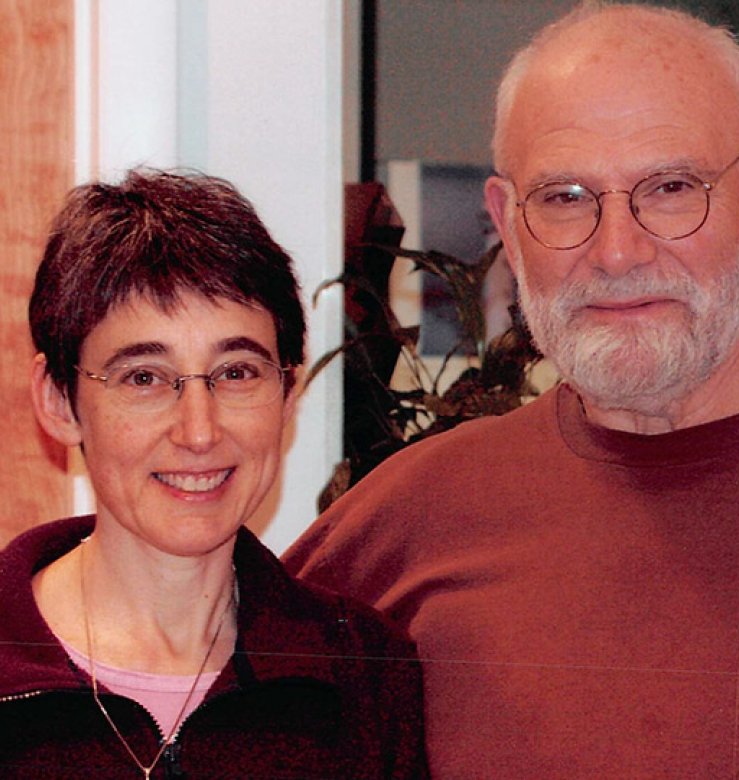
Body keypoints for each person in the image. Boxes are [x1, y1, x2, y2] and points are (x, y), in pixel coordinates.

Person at [284, 4, 739, 776]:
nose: (618, 251)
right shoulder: (411, 520)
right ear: (507, 222)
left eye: (670, 187)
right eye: (565, 198)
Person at [0, 169, 427, 777]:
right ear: (59, 401)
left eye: (236, 373)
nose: (198, 431)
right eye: (144, 378)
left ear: (288, 390)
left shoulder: (365, 675)